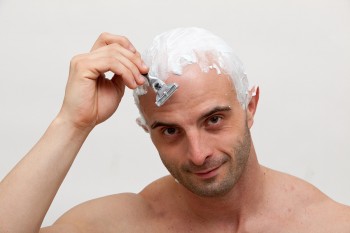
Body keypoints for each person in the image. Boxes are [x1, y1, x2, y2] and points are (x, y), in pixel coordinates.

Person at [0, 27, 349, 233]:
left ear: (250, 107)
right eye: (169, 131)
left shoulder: (327, 224)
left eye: (214, 119)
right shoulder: (124, 225)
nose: (198, 154)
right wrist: (72, 123)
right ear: (148, 130)